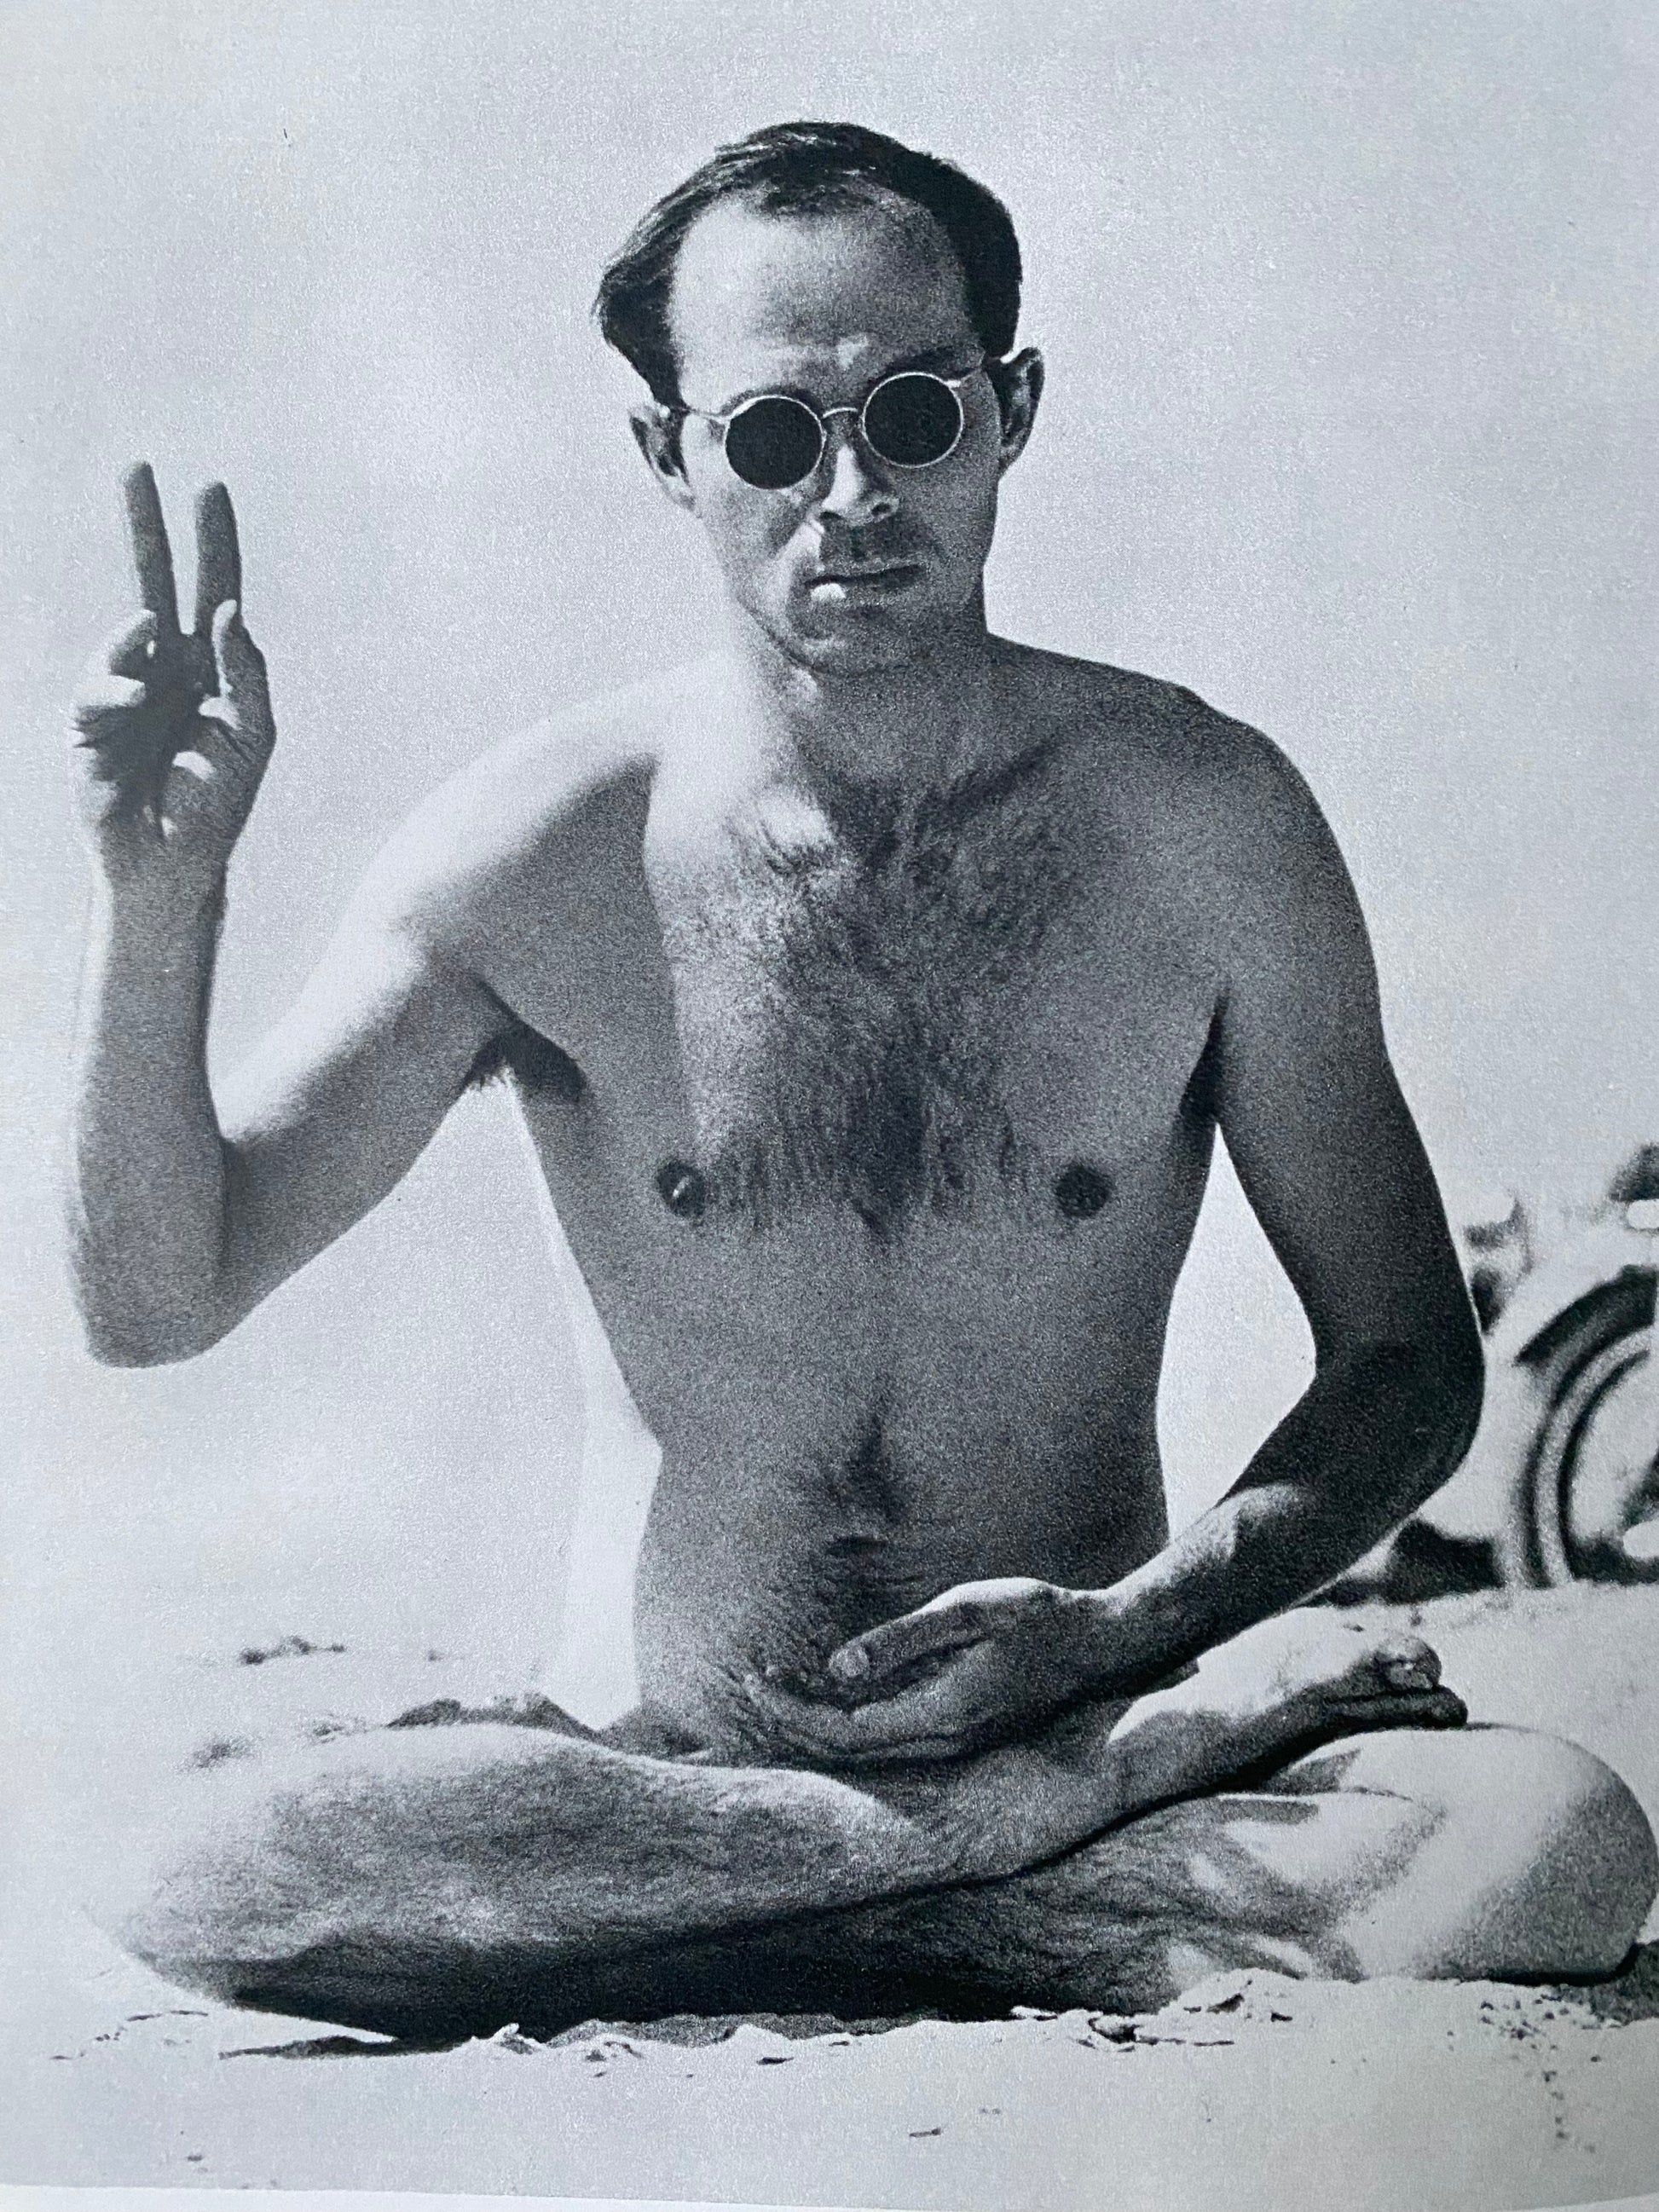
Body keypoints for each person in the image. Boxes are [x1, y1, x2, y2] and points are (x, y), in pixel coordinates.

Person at [66, 122, 1654, 2039]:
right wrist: (160, 898)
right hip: (679, 1773)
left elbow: (1404, 1356)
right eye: (768, 435)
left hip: (1049, 1728)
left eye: (913, 414)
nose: (850, 493)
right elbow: (158, 1298)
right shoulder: (538, 852)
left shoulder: (1206, 826)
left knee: (1562, 1842)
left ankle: (834, 1899)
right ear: (667, 455)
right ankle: (972, 1861)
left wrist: (1127, 1634)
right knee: (182, 1858)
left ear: (1011, 410)